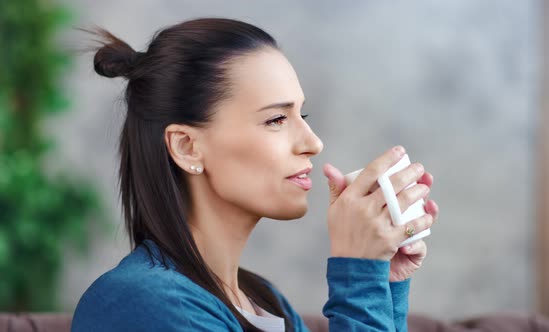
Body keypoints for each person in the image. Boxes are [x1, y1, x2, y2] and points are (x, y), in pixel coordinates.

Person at [72, 17, 439, 332]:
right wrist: (357, 272)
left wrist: (382, 282)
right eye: (277, 119)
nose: (313, 142)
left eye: (302, 116)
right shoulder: (140, 302)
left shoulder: (265, 302)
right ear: (186, 147)